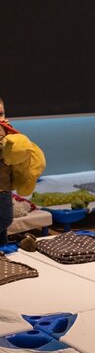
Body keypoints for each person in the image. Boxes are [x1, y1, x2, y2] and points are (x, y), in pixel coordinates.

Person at [0, 97, 14, 245]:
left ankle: (3, 249)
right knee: (5, 219)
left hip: (5, 186)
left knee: (3, 229)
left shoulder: (6, 131)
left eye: (1, 114)